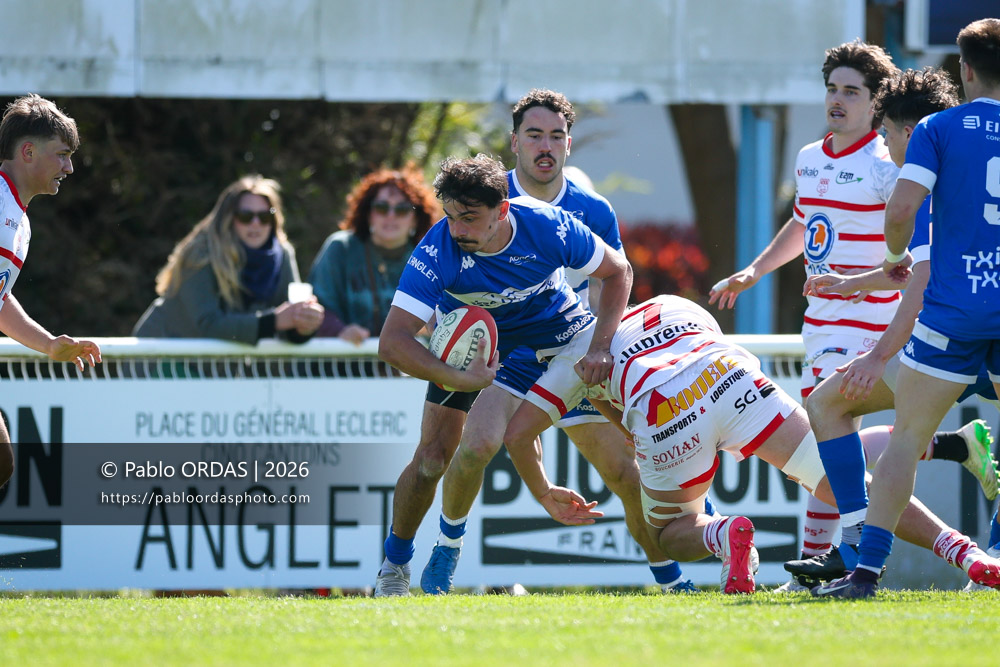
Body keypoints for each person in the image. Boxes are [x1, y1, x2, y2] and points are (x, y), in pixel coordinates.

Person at [501, 294, 1000, 594]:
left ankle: (726, 536)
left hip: (665, 409)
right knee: (847, 484)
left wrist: (545, 492)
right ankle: (968, 554)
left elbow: (519, 433)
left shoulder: (570, 355)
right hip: (730, 375)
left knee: (668, 531)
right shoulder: (670, 304)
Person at [422, 89, 698, 596]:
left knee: (624, 472)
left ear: (569, 143)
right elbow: (448, 268)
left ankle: (671, 581)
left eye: (555, 136)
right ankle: (446, 549)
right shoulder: (484, 196)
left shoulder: (591, 208)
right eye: (533, 135)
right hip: (503, 351)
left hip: (570, 343)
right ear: (515, 142)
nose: (544, 146)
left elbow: (610, 283)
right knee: (475, 446)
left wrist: (599, 351)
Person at [374, 153, 632, 596]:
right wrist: (452, 377)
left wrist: (602, 347)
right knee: (440, 456)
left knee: (630, 441)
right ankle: (399, 566)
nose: (459, 229)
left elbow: (618, 272)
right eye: (451, 216)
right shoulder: (439, 249)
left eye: (470, 218)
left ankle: (685, 551)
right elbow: (392, 341)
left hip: (559, 331)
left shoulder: (548, 225)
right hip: (478, 350)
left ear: (503, 209)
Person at [783, 67, 1000, 588]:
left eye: (885, 132)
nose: (882, 143)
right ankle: (986, 546)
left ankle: (862, 555)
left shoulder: (920, 187)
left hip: (942, 345)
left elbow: (921, 281)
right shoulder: (962, 179)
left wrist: (877, 354)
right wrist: (855, 283)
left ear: (910, 132)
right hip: (976, 330)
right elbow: (915, 269)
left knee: (836, 409)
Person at [708, 41, 905, 588]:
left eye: (852, 92)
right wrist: (754, 271)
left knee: (828, 434)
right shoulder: (810, 157)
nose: (837, 101)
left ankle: (838, 555)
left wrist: (857, 284)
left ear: (875, 104)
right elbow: (803, 225)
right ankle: (828, 562)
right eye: (832, 89)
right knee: (831, 442)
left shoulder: (887, 167)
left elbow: (909, 259)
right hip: (819, 320)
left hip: (872, 321)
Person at [0, 94, 102, 487]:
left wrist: (47, 344)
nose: (69, 167)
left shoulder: (19, 221)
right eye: (61, 154)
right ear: (28, 151)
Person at [133, 175, 324, 344]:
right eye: (246, 216)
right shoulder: (200, 253)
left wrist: (303, 326)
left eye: (265, 216)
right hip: (159, 356)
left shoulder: (282, 255)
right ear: (229, 218)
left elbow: (286, 325)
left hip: (211, 370)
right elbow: (209, 325)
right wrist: (274, 320)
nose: (255, 223)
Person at [308, 166, 438, 344]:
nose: (391, 216)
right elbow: (315, 306)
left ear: (416, 218)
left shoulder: (431, 258)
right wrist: (340, 330)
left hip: (409, 369)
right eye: (382, 208)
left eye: (402, 209)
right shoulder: (340, 248)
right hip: (343, 364)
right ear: (368, 214)